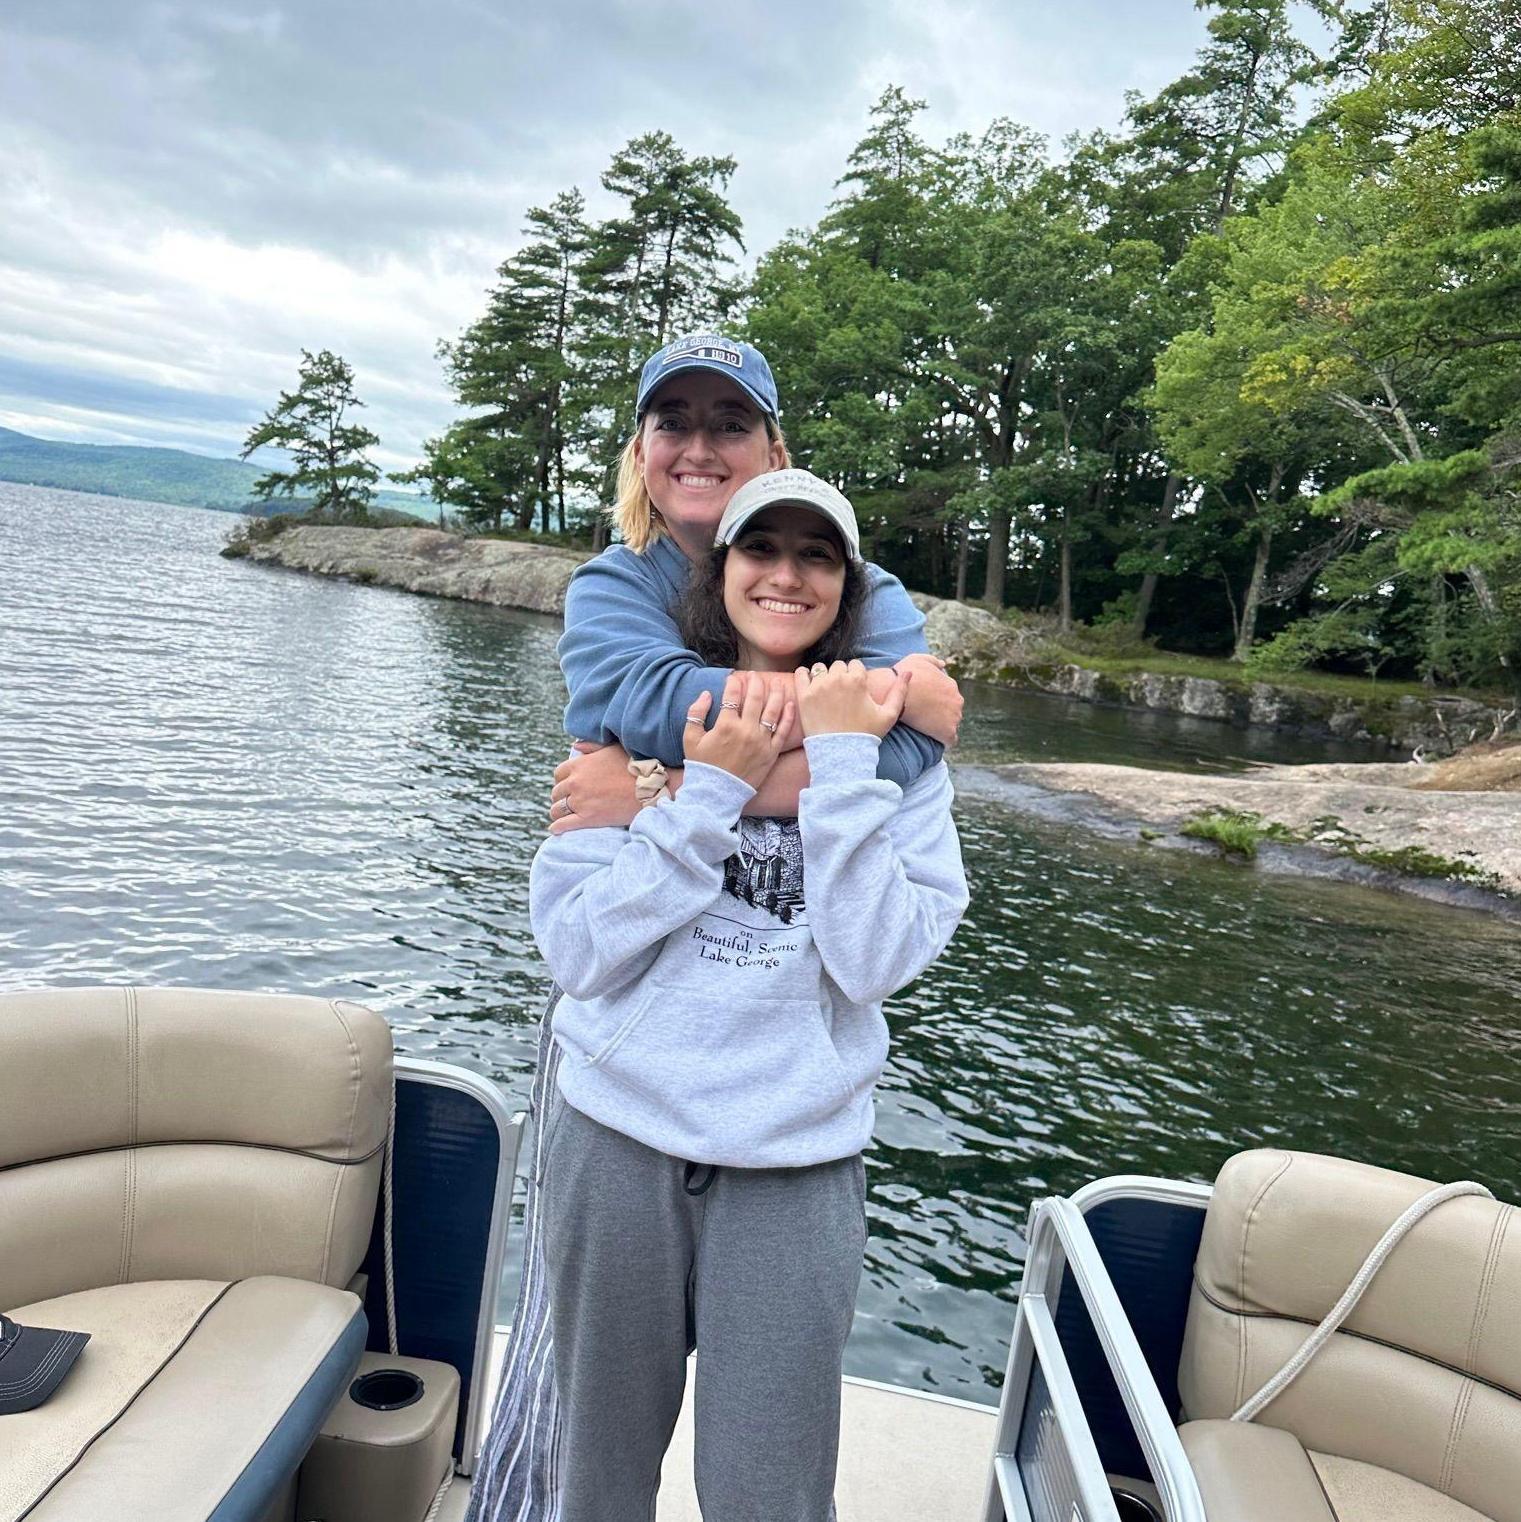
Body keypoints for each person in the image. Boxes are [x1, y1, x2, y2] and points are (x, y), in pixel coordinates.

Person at [530, 468, 968, 1520]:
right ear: (717, 570)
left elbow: (873, 962)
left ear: (849, 585)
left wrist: (851, 763)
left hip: (795, 1166)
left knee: (768, 1492)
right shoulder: (630, 733)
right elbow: (579, 952)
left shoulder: (898, 759)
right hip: (618, 1141)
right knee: (593, 1473)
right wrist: (704, 793)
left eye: (816, 554)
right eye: (758, 547)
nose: (784, 573)